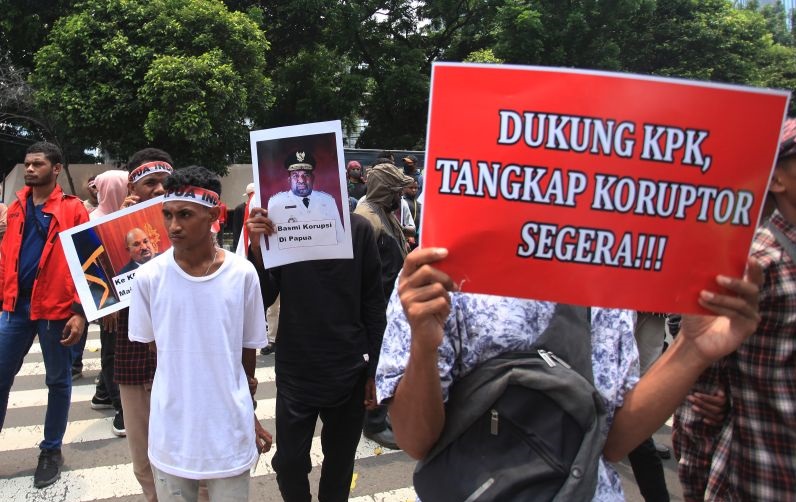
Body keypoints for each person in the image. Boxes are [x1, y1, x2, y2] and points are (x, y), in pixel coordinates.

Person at [375, 245, 761, 501]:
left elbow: (610, 442)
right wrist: (424, 346)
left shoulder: (605, 274)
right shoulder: (440, 278)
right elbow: (415, 441)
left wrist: (691, 349)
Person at [129, 166, 271, 502]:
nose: (173, 226)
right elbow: (155, 349)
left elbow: (247, 352)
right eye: (167, 214)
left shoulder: (242, 274)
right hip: (171, 433)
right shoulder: (148, 278)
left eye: (185, 215)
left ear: (213, 215)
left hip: (229, 432)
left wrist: (248, 414)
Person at [672, 118, 796, 501]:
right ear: (777, 179)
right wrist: (698, 488)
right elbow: (700, 402)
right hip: (765, 479)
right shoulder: (753, 266)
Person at [245, 203, 386, 502]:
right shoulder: (282, 226)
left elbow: (374, 304)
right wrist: (258, 250)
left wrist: (374, 371)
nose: (304, 182)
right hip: (296, 366)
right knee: (289, 463)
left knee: (340, 464)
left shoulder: (359, 229)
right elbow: (263, 296)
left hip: (349, 366)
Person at [0, 141, 89, 488]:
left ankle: (51, 450)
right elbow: (8, 255)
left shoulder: (73, 209)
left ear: (56, 169)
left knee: (58, 381)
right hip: (16, 308)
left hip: (57, 309)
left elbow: (88, 260)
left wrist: (79, 311)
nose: (30, 168)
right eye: (27, 163)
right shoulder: (15, 207)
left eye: (37, 163)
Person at [115, 148, 174, 502]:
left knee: (187, 455)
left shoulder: (193, 229)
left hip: (180, 360)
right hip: (134, 360)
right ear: (131, 188)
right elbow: (101, 305)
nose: (159, 189)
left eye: (165, 182)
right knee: (143, 458)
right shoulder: (113, 231)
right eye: (150, 183)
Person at [354, 160, 414, 449]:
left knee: (390, 361)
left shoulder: (383, 212)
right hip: (378, 306)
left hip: (391, 303)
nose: (400, 197)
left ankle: (382, 413)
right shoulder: (367, 218)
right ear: (385, 190)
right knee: (378, 363)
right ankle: (374, 422)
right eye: (396, 192)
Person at [87, 169, 131, 437]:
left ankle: (103, 393)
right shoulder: (93, 220)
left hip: (131, 295)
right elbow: (90, 264)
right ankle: (121, 408)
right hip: (109, 299)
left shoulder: (131, 215)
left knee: (119, 347)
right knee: (113, 351)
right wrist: (106, 305)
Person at [267, 148, 344, 244]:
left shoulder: (328, 201)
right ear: (289, 180)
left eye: (306, 175)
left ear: (313, 178)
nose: (301, 180)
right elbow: (274, 243)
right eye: (295, 176)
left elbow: (340, 238)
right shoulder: (276, 203)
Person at [403, 180, 421, 249]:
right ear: (405, 188)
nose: (414, 190)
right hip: (405, 238)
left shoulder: (418, 204)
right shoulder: (402, 202)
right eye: (411, 188)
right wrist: (407, 237)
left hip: (416, 239)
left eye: (416, 188)